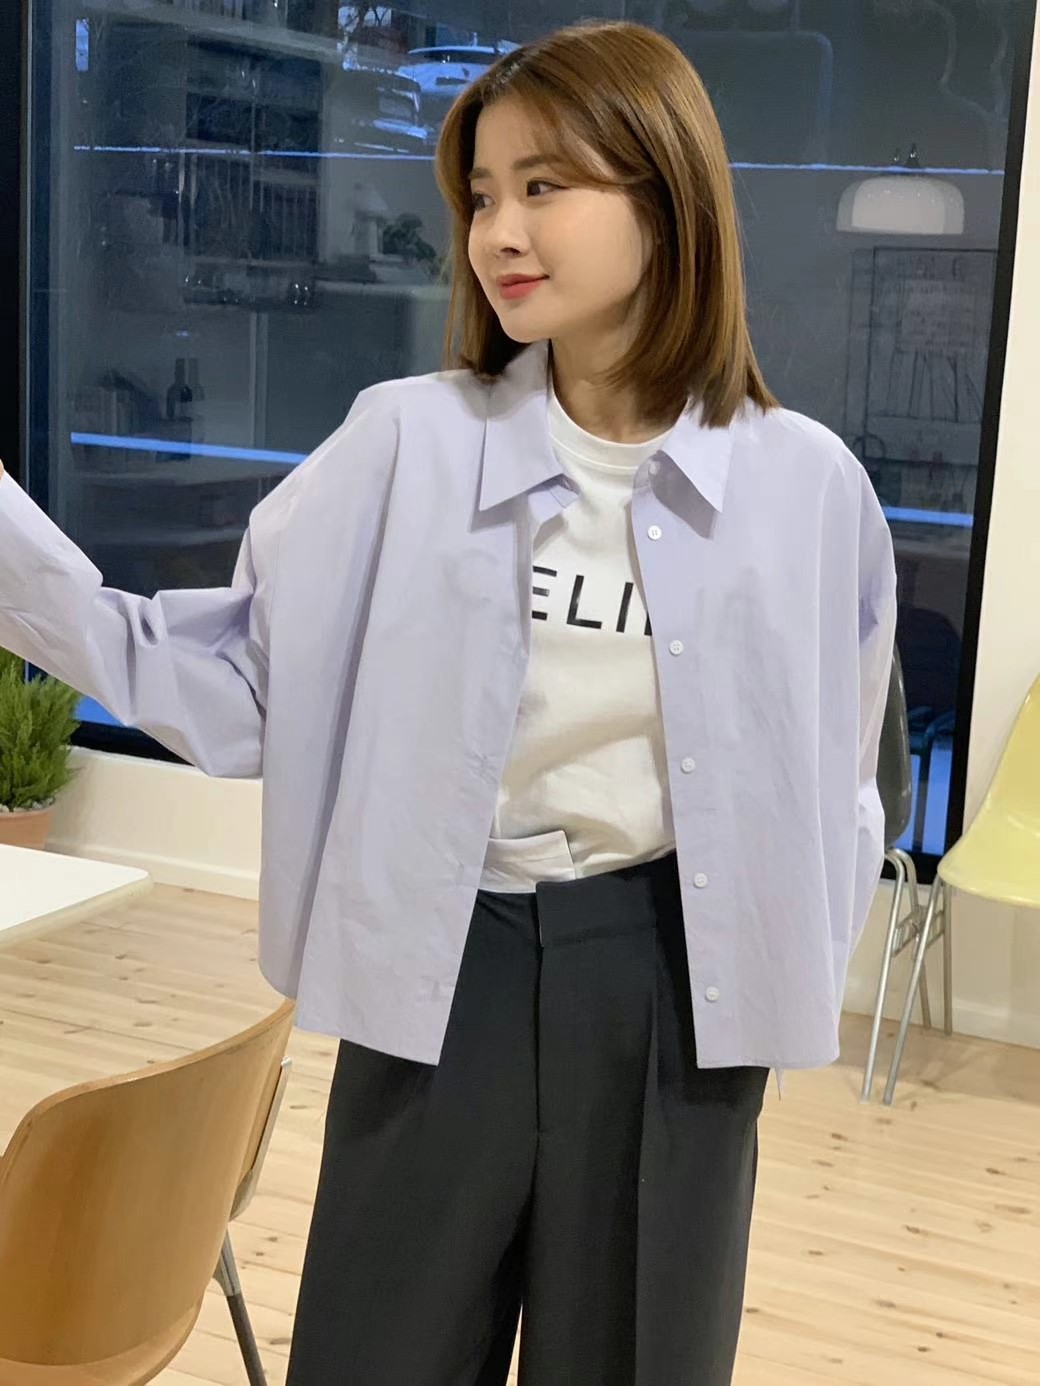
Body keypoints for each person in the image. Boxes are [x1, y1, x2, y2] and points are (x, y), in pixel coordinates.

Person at [0, 19, 897, 1386]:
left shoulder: (807, 485)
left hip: (673, 989)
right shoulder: (405, 442)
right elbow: (241, 684)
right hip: (448, 962)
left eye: (545, 186)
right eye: (481, 196)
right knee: (378, 1350)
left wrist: (786, 970)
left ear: (666, 195)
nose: (498, 233)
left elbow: (841, 767)